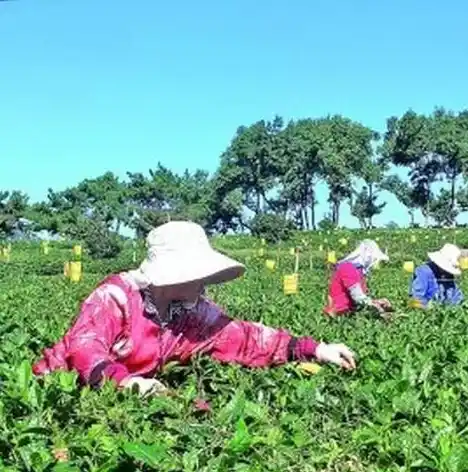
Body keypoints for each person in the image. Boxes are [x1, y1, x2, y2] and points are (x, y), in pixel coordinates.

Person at [33, 221, 356, 397]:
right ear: (176, 274)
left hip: (132, 397)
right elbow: (85, 348)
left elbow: (245, 338)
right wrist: (125, 382)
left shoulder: (191, 312)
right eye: (198, 276)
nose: (204, 284)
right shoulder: (115, 297)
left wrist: (315, 349)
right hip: (61, 392)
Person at [324, 239, 391, 318]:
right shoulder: (348, 268)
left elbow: (361, 297)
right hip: (338, 313)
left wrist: (377, 301)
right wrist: (376, 305)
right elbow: (358, 297)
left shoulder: (359, 271)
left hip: (350, 310)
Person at [409, 243, 463, 308]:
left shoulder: (448, 275)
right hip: (426, 313)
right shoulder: (424, 272)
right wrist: (431, 310)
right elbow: (416, 299)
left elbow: (456, 296)